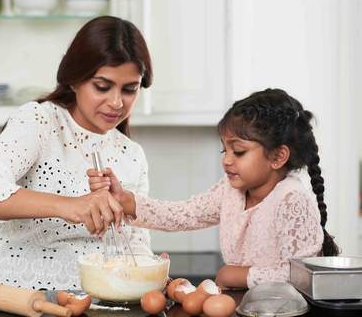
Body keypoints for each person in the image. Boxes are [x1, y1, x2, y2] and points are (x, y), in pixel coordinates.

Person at [0, 16, 154, 291]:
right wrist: (71, 206)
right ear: (74, 80)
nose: (117, 102)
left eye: (129, 89)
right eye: (102, 86)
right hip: (26, 304)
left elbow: (135, 245)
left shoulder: (132, 155)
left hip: (100, 307)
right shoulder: (40, 121)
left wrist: (150, 267)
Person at [88, 88, 340, 289]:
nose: (227, 159)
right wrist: (126, 200)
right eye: (224, 149)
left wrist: (241, 276)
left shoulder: (291, 199)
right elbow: (184, 213)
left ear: (278, 157)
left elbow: (303, 275)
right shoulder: (231, 191)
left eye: (238, 151)